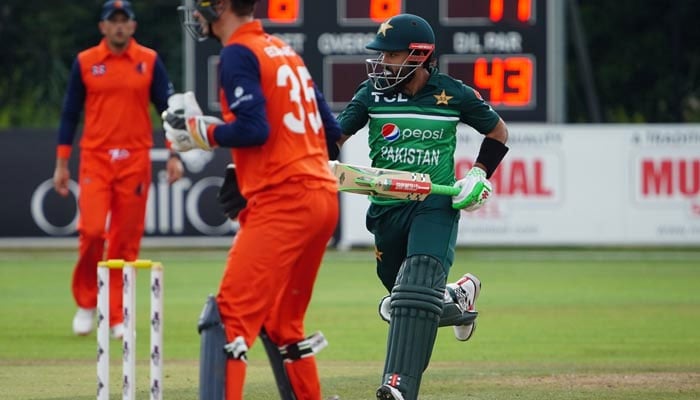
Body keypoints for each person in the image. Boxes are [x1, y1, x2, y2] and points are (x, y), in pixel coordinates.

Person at [167, 1, 341, 399]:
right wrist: (254, 167)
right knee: (283, 323)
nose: (195, 14)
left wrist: (202, 132)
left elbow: (253, 128)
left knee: (228, 320)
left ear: (220, 6)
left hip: (285, 201)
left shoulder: (237, 52)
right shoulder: (284, 51)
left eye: (200, 6)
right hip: (321, 199)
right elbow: (330, 130)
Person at [334, 13, 509, 400]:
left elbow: (498, 131)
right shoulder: (371, 93)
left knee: (412, 293)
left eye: (391, 56)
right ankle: (456, 298)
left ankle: (398, 387)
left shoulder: (454, 93)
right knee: (403, 299)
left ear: (418, 56)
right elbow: (336, 136)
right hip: (386, 207)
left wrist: (479, 174)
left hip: (435, 201)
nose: (382, 64)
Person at [54, 0, 183, 339]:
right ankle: (86, 301)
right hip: (96, 158)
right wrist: (62, 163)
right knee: (93, 232)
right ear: (103, 27)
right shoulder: (86, 62)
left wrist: (174, 154)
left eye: (125, 21)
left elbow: (167, 109)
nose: (119, 27)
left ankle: (115, 315)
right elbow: (70, 114)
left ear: (134, 26)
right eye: (114, 21)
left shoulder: (149, 60)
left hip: (134, 160)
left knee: (125, 242)